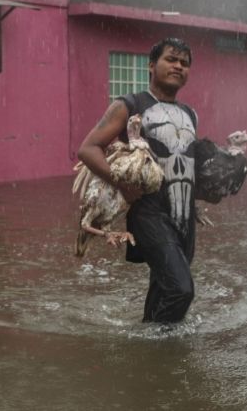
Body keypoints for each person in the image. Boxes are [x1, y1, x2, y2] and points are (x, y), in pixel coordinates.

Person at [77, 38, 199, 323]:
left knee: (164, 286)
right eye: (171, 59)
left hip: (184, 216)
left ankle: (149, 345)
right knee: (182, 290)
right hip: (149, 213)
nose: (178, 66)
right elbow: (88, 148)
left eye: (185, 63)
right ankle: (161, 352)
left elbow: (189, 163)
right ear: (152, 65)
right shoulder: (130, 105)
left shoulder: (190, 113)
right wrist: (121, 184)